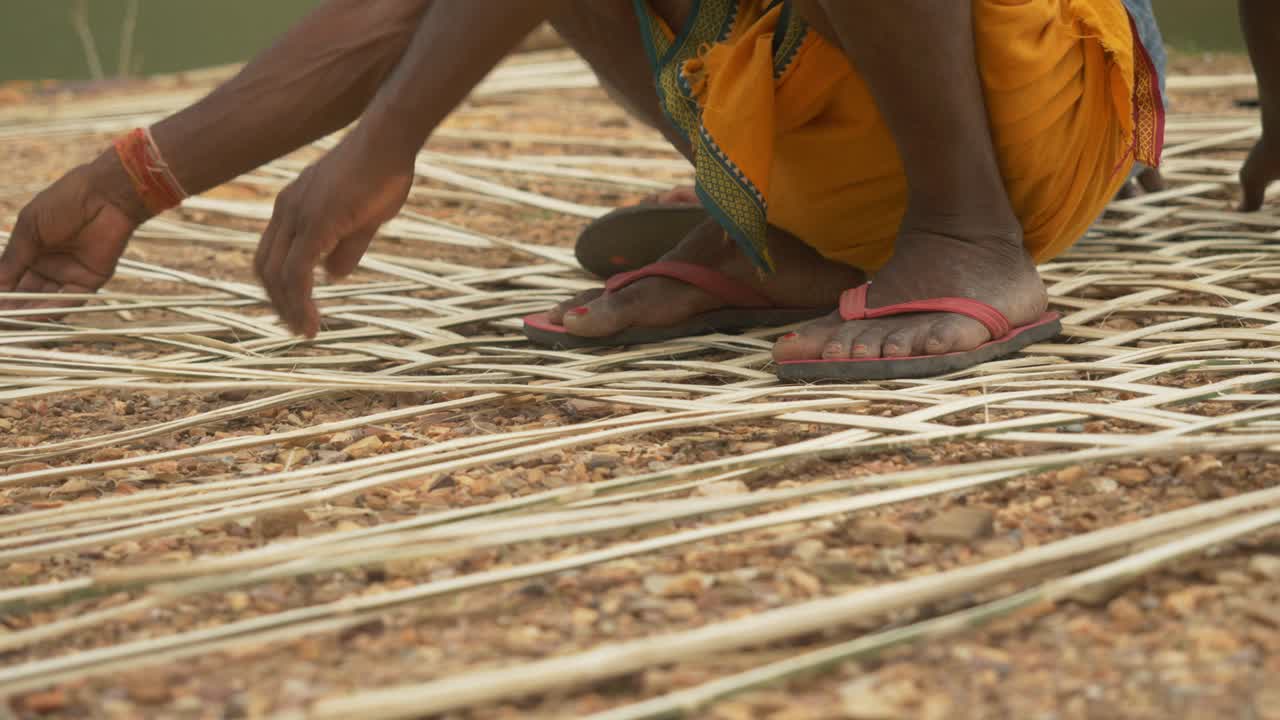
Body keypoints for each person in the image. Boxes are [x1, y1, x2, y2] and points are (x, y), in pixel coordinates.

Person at [0, 1, 1252, 380]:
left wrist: (389, 141)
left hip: (1023, 113)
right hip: (839, 140)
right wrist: (129, 180)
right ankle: (782, 239)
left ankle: (964, 237)